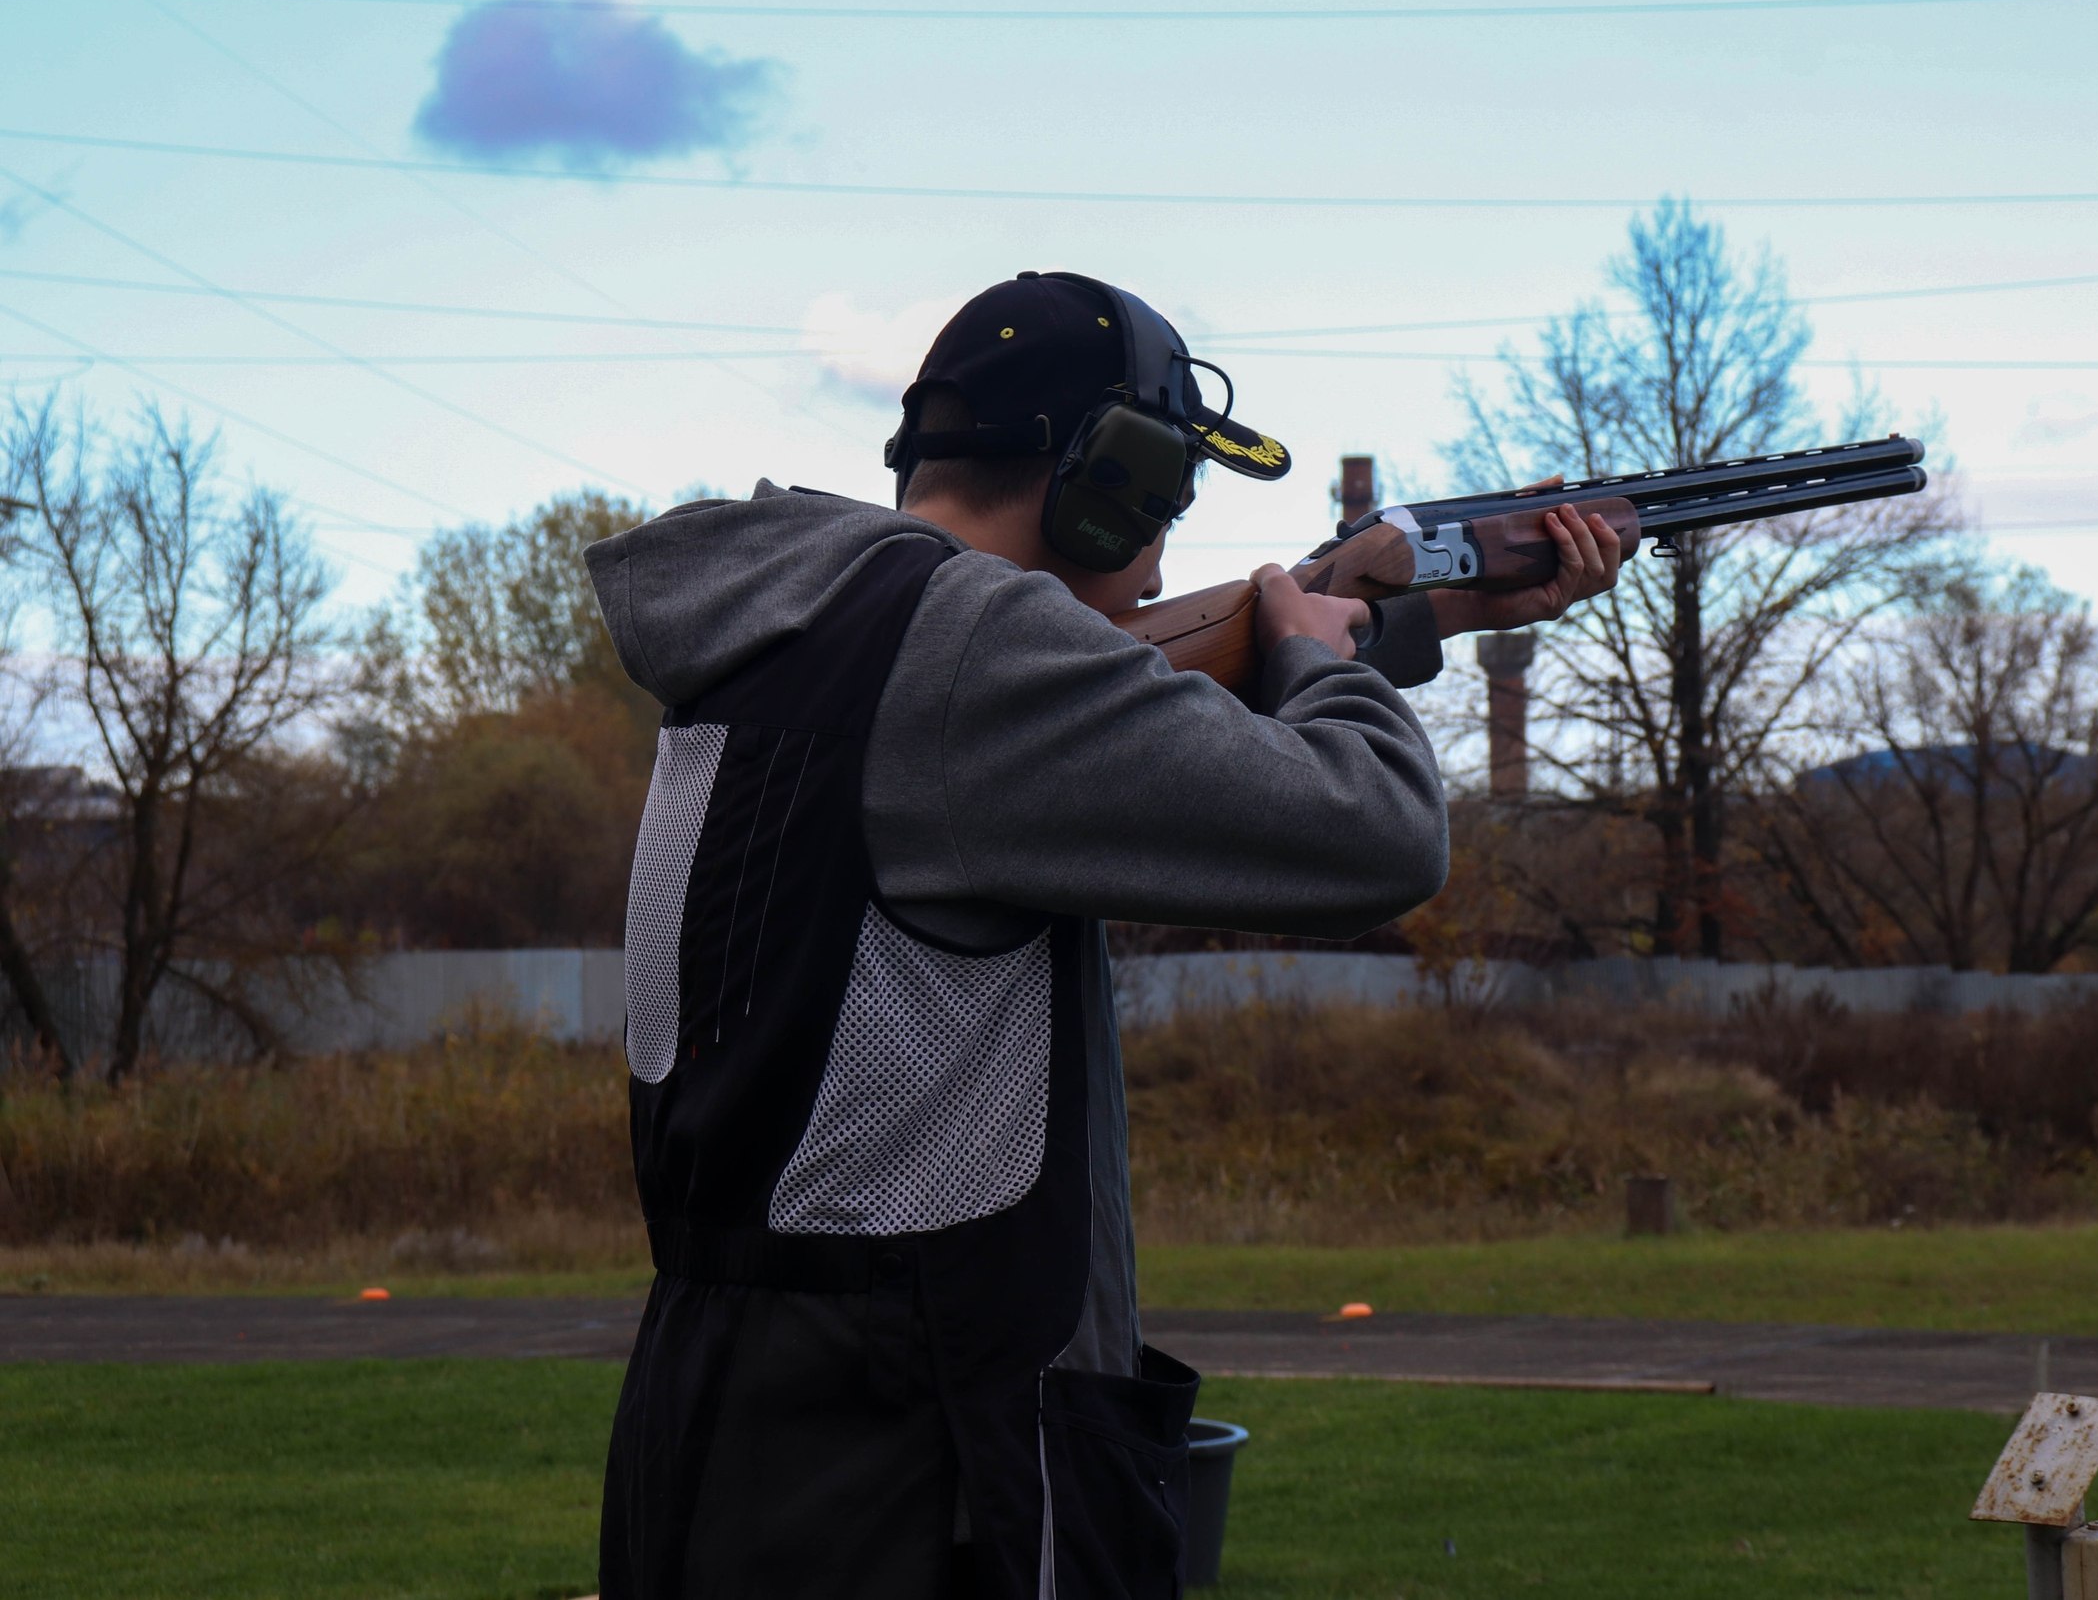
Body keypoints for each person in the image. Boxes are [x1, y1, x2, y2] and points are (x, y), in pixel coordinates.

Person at [582, 271, 1623, 1598]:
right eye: (1164, 509)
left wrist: (1409, 610)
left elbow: (1155, 725)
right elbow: (1377, 830)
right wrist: (1319, 657)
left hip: (732, 1420)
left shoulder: (796, 628)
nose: (1164, 568)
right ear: (1104, 481)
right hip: (925, 1460)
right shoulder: (976, 644)